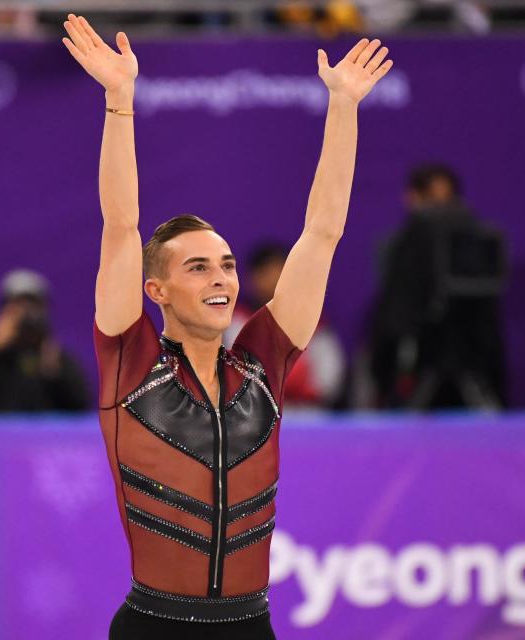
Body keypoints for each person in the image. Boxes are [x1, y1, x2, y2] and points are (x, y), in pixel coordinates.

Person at [61, 14, 393, 638]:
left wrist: (343, 108)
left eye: (227, 265)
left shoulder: (262, 361)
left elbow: (322, 235)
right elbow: (121, 226)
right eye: (198, 267)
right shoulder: (128, 360)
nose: (221, 278)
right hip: (154, 626)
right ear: (155, 289)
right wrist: (119, 101)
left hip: (250, 627)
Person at [368, 163, 507, 409]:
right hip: (418, 358)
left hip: (471, 351)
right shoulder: (401, 249)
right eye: (432, 202)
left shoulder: (475, 248)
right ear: (412, 199)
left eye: (447, 202)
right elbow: (394, 317)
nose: (442, 215)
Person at [0, 269, 90, 412]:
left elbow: (80, 402)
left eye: (32, 307)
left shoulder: (53, 355)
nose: (25, 315)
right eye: (17, 307)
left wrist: (57, 373)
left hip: (42, 434)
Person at [224, 243, 346, 408]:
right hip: (250, 411)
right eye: (267, 274)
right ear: (252, 279)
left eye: (281, 274)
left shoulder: (314, 325)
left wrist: (303, 387)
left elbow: (330, 378)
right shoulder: (234, 322)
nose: (275, 281)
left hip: (307, 413)